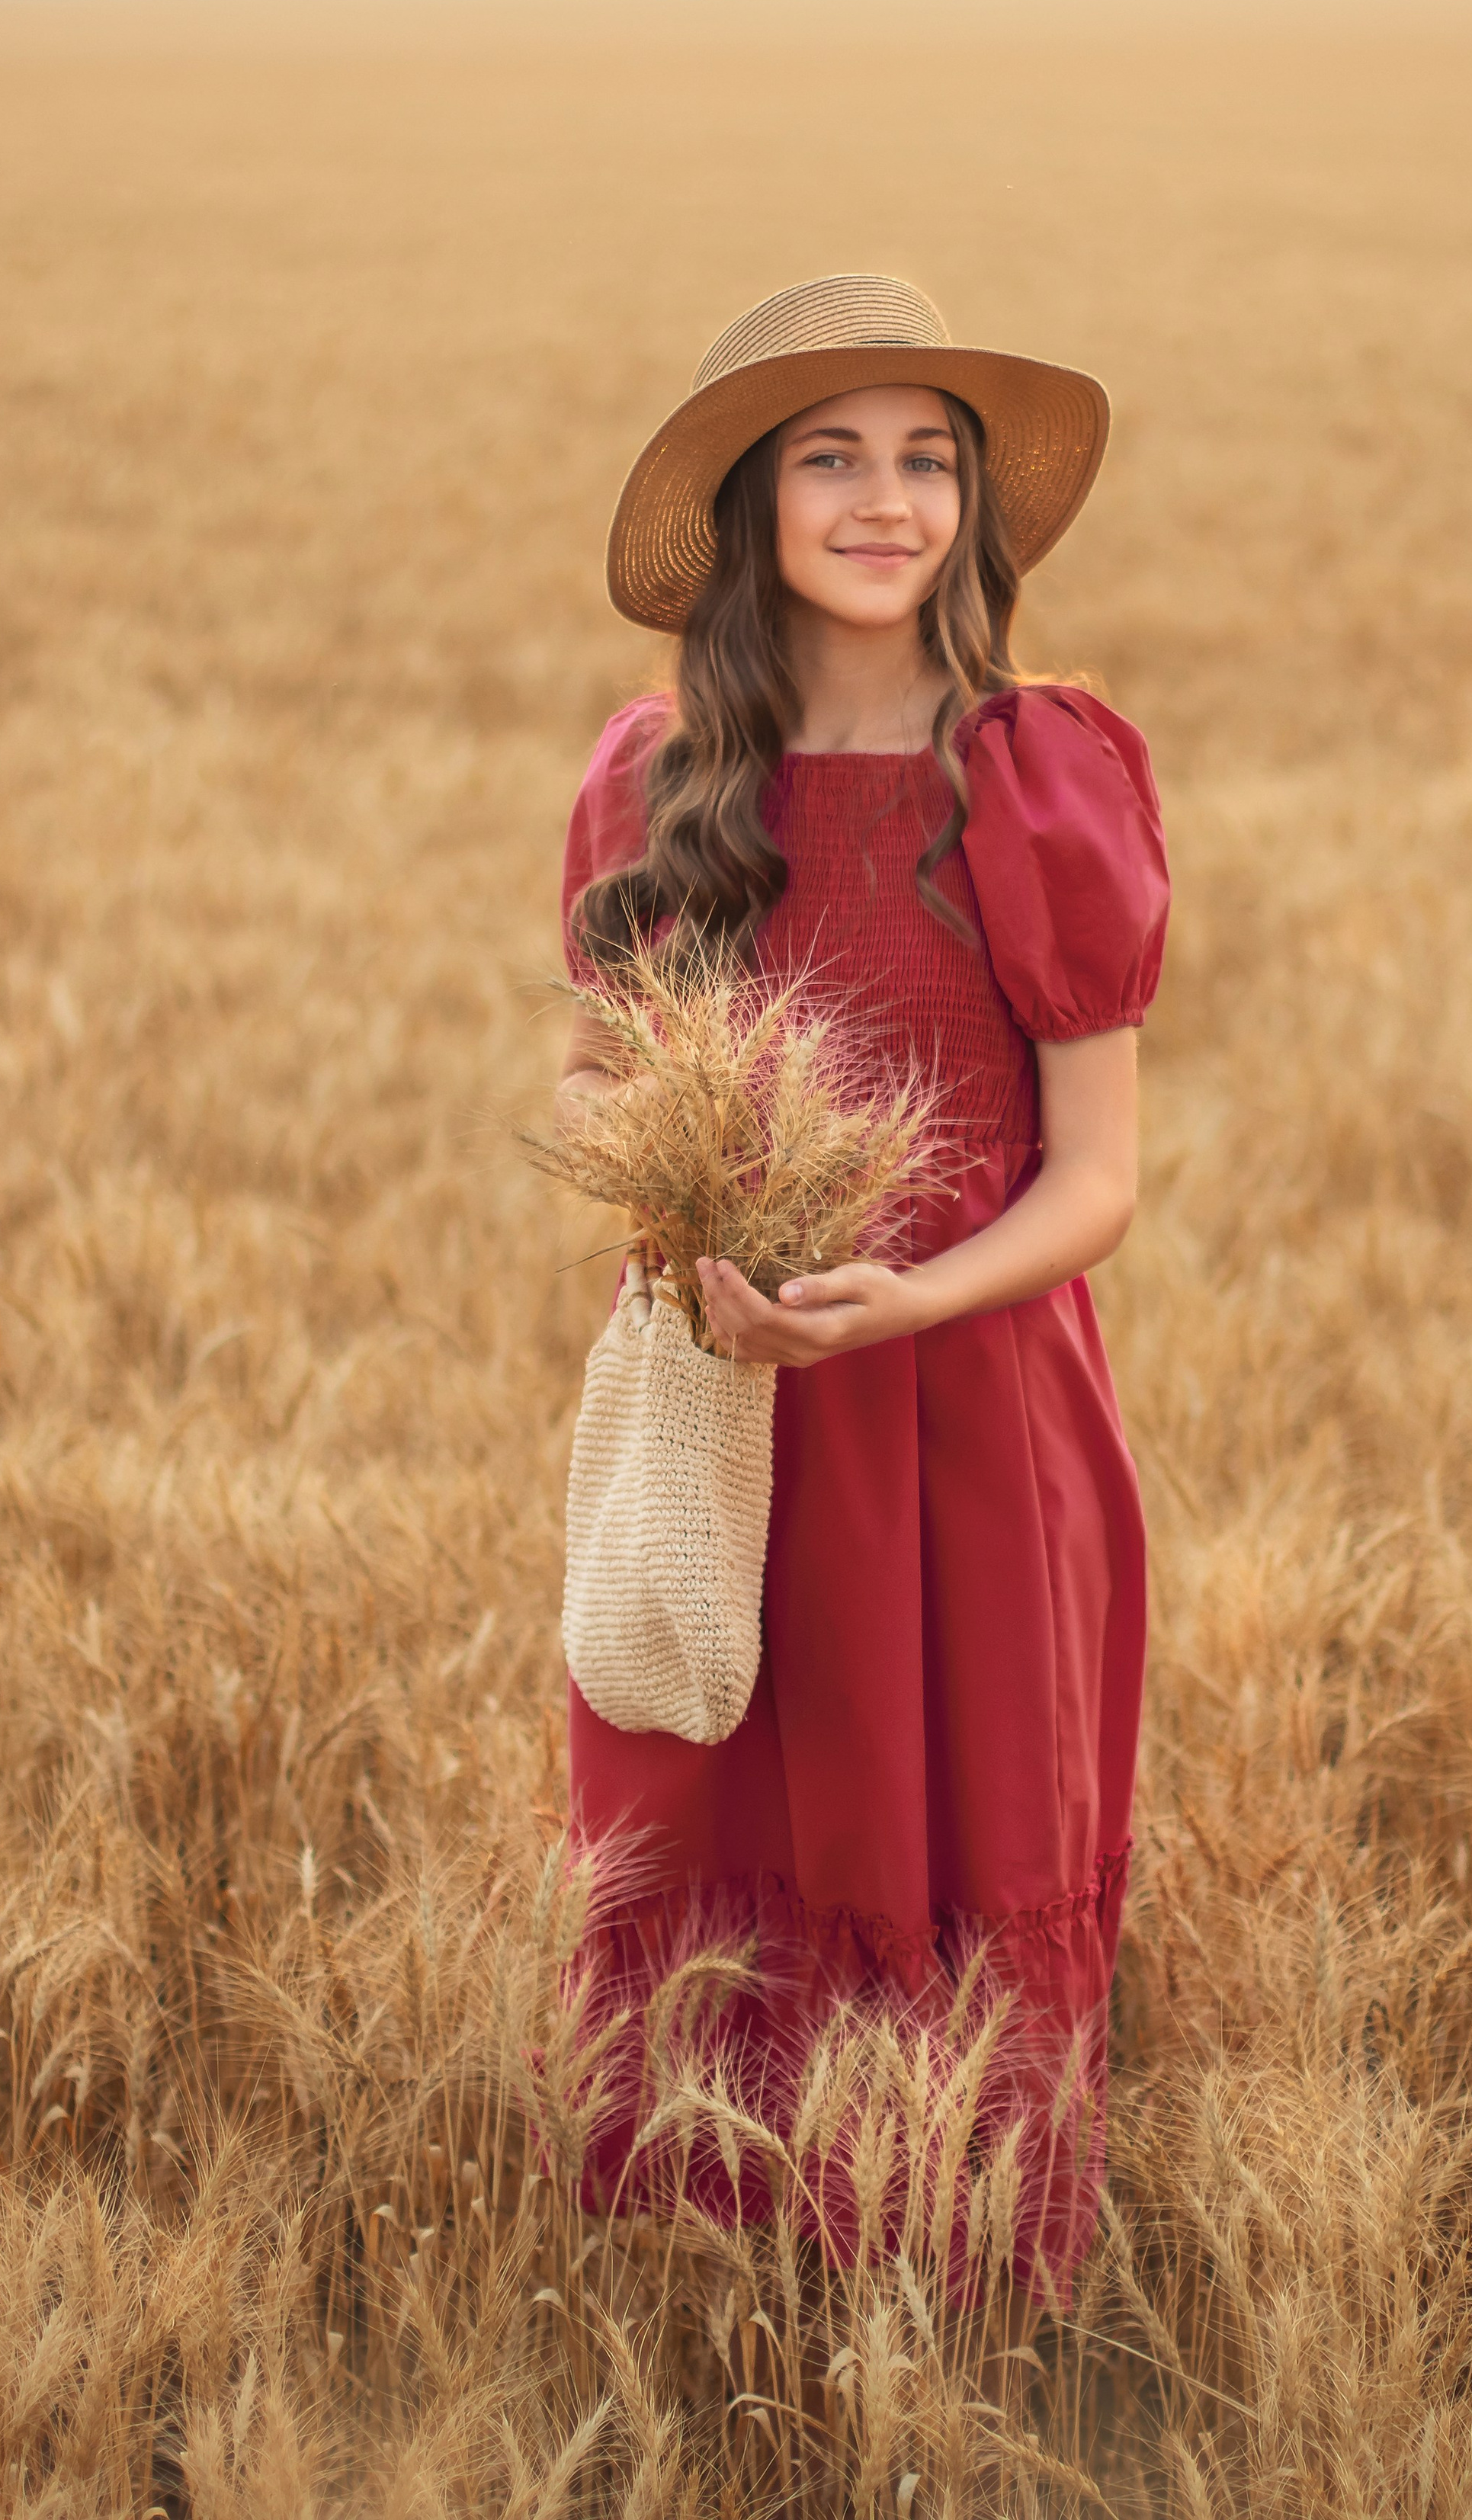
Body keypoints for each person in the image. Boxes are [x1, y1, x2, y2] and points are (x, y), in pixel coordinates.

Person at [556, 273, 1169, 2293]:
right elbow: (594, 1084)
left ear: (976, 513)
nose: (886, 498)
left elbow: (1099, 1177)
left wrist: (910, 1301)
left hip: (975, 1401)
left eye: (929, 460)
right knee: (725, 1793)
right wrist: (689, 1233)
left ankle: (958, 2272)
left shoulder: (1034, 773)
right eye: (833, 456)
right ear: (754, 505)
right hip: (734, 1398)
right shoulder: (660, 781)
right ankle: (720, 2282)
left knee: (959, 1811)